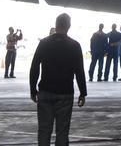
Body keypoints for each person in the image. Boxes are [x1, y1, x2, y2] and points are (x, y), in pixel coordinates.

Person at [31, 13, 87, 146]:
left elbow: (34, 66)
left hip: (45, 91)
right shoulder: (75, 45)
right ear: (69, 26)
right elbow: (79, 71)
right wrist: (83, 93)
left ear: (56, 25)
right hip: (65, 93)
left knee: (44, 130)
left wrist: (33, 89)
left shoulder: (44, 43)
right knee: (62, 131)